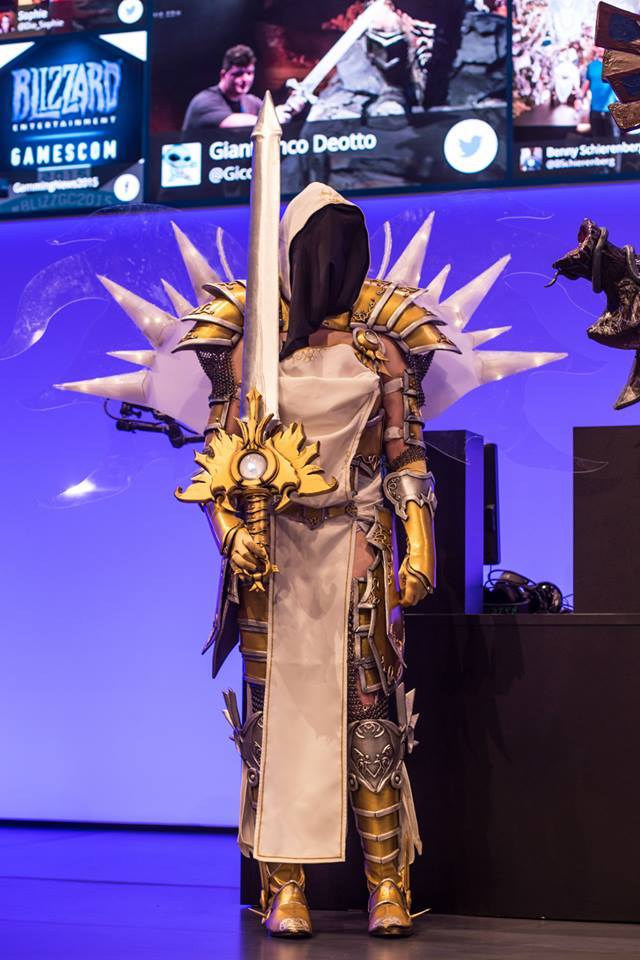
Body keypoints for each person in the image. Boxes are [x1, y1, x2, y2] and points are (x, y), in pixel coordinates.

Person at [174, 182, 457, 938]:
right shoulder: (252, 351)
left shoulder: (383, 348)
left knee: (370, 717)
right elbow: (218, 464)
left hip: (355, 547)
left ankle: (388, 885)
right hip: (272, 557)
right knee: (275, 723)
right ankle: (284, 886)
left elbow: (406, 457)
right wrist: (231, 535)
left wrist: (420, 546)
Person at [182, 44, 302, 130]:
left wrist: (289, 109)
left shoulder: (253, 102)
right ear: (223, 75)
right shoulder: (205, 101)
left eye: (249, 73)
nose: (245, 79)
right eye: (238, 74)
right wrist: (272, 118)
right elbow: (232, 123)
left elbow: (272, 125)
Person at [582, 47, 617, 137]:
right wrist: (579, 98)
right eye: (599, 46)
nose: (601, 49)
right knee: (597, 140)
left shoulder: (616, 65)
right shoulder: (591, 66)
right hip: (595, 109)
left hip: (612, 110)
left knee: (614, 140)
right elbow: (586, 83)